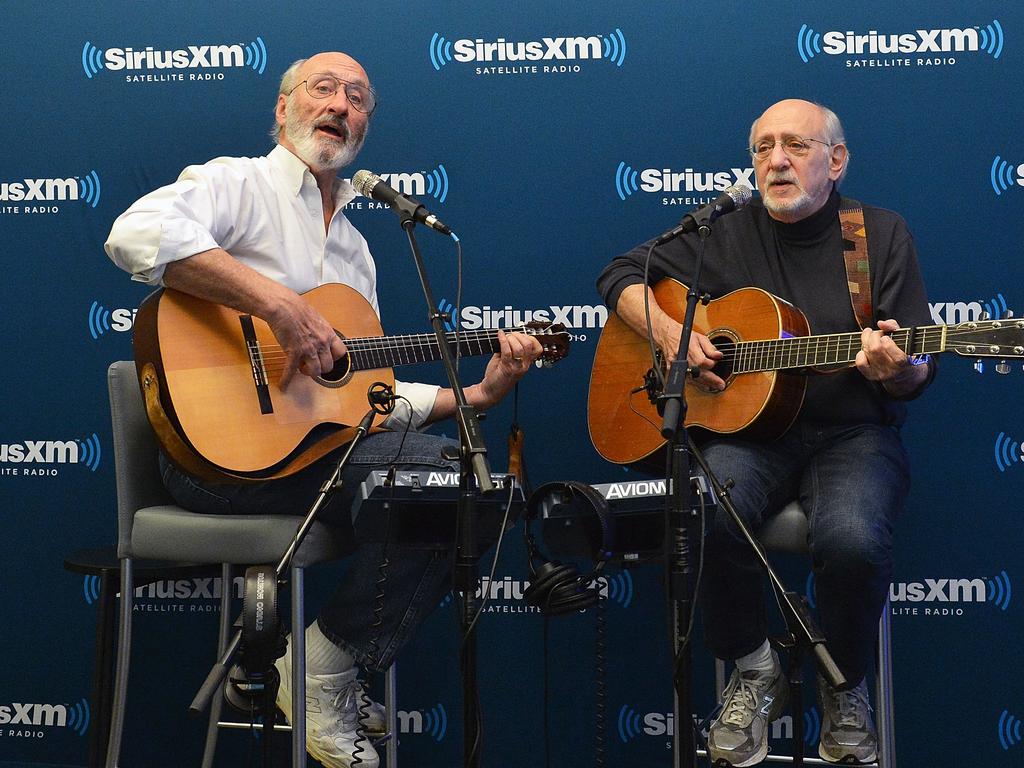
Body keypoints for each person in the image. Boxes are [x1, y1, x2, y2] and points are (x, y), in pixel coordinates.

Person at [105, 51, 542, 768]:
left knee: (465, 478)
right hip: (214, 463)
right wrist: (275, 304)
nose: (340, 105)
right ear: (283, 109)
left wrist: (477, 395)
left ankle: (322, 663)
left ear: (367, 123)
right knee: (436, 480)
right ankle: (327, 676)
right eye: (324, 89)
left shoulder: (359, 250)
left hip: (315, 459)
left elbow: (360, 404)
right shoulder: (237, 185)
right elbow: (133, 235)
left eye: (359, 97)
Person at [597, 99, 935, 766]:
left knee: (854, 541)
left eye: (795, 146)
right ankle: (754, 667)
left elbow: (916, 373)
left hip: (852, 432)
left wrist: (895, 369)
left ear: (835, 161)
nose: (775, 161)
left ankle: (844, 687)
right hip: (749, 436)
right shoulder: (722, 231)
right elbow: (617, 276)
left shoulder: (879, 234)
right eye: (762, 148)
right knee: (704, 510)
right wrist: (675, 334)